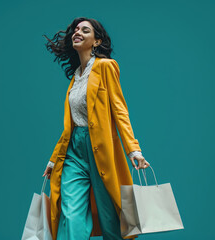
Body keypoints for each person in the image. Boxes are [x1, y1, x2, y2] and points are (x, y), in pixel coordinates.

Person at [41, 17, 150, 240]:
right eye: (75, 30)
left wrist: (134, 149)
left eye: (85, 30)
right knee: (70, 214)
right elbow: (70, 126)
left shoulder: (106, 67)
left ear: (96, 41)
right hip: (74, 152)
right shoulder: (75, 79)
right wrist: (54, 159)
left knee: (110, 219)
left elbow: (120, 109)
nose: (77, 33)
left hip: (101, 148)